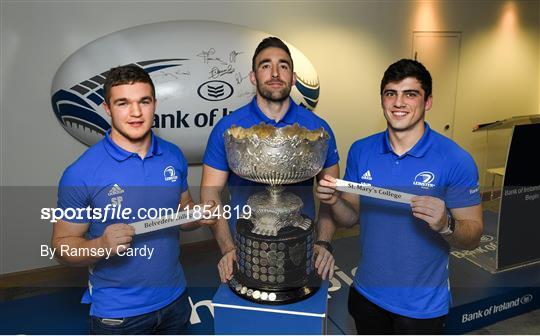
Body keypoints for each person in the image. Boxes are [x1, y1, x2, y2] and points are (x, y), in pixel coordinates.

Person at [316, 59, 483, 334]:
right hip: (367, 295)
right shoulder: (362, 150)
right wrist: (334, 200)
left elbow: (474, 236)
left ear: (427, 102)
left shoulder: (456, 160)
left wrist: (446, 225)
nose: (399, 102)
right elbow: (350, 218)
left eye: (410, 94)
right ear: (382, 100)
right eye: (391, 93)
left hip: (422, 308)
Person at [52, 65, 215, 334]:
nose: (136, 112)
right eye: (123, 103)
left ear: (155, 104)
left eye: (144, 101)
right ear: (107, 108)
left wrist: (196, 216)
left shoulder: (173, 155)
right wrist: (101, 245)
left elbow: (182, 212)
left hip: (175, 299)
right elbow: (62, 247)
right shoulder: (81, 173)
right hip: (119, 314)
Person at [201, 37, 340, 283]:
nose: (275, 72)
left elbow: (331, 195)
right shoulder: (228, 129)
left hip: (301, 250)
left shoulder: (318, 129)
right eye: (265, 65)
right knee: (248, 320)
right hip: (246, 251)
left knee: (299, 318)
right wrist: (228, 249)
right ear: (253, 77)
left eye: (283, 66)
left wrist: (324, 242)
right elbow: (210, 195)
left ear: (294, 77)